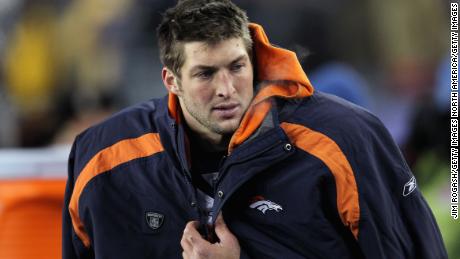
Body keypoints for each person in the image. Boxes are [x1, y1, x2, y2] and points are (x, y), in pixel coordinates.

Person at [62, 0, 447, 258]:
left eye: (236, 67)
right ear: (171, 80)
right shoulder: (102, 158)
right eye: (205, 74)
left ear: (254, 61)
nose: (226, 89)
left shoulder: (346, 141)